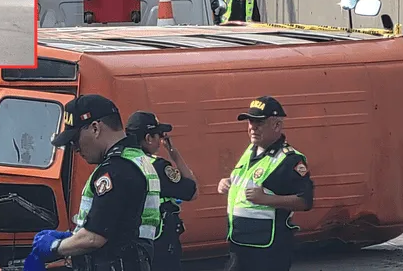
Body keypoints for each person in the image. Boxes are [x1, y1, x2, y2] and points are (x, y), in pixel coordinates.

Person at [25, 94, 161, 271]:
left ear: (95, 128)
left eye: (75, 140)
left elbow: (95, 238)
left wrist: (55, 246)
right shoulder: (137, 159)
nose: (75, 149)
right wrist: (73, 238)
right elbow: (120, 224)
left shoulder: (116, 169)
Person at [218, 96, 314, 271]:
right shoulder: (251, 150)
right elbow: (246, 180)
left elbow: (305, 201)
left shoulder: (290, 160)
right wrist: (227, 182)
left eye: (259, 122)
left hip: (268, 250)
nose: (252, 127)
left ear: (276, 125)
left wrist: (266, 199)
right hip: (241, 244)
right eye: (250, 122)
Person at [125, 111, 198, 271]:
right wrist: (174, 154)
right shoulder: (157, 167)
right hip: (159, 245)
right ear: (148, 138)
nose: (161, 140)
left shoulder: (121, 161)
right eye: (158, 135)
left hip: (129, 243)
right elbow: (192, 192)